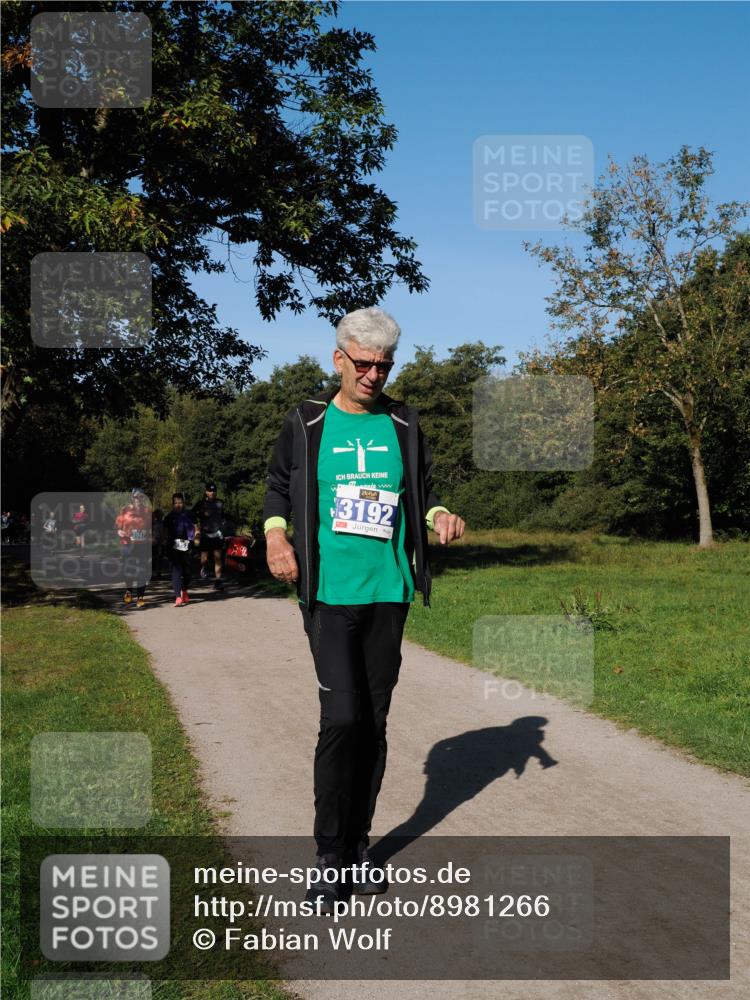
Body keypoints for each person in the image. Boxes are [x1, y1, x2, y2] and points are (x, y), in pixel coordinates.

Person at [263, 306, 465, 913]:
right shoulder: (307, 423)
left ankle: (356, 845)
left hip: (389, 591)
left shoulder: (404, 423)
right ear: (338, 359)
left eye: (385, 365)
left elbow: (422, 493)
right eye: (364, 363)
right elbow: (277, 485)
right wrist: (276, 536)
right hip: (328, 595)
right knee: (343, 719)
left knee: (373, 723)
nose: (375, 375)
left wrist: (438, 517)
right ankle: (328, 854)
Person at [117, 491, 152, 608]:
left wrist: (152, 536)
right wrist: (119, 531)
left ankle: (140, 597)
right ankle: (128, 591)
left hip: (142, 545)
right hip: (127, 544)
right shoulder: (125, 510)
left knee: (142, 571)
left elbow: (150, 527)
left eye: (140, 496)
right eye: (135, 497)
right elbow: (117, 525)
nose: (138, 499)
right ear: (132, 498)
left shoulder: (147, 511)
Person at [163, 492, 196, 607]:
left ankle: (184, 591)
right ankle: (177, 596)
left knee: (188, 571)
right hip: (173, 546)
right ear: (172, 504)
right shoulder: (169, 517)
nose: (178, 505)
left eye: (180, 503)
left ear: (184, 503)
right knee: (177, 570)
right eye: (175, 503)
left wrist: (196, 538)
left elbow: (196, 528)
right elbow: (165, 533)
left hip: (187, 545)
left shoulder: (190, 515)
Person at [193, 483, 226, 591]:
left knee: (218, 558)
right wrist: (197, 526)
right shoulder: (201, 504)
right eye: (210, 491)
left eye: (214, 491)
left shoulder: (220, 503)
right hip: (205, 534)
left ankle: (218, 581)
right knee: (204, 559)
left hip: (216, 534)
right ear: (206, 492)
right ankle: (204, 567)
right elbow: (192, 514)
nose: (212, 493)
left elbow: (224, 515)